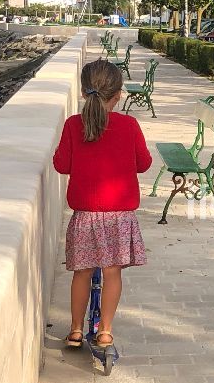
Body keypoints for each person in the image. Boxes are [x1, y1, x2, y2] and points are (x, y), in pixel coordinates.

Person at [53, 59, 152, 349]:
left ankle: (74, 330)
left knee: (82, 272)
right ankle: (105, 331)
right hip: (120, 216)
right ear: (118, 94)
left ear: (84, 93)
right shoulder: (129, 125)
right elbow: (144, 164)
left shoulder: (74, 125)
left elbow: (61, 165)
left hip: (85, 215)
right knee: (112, 273)